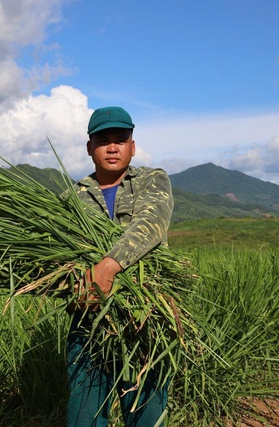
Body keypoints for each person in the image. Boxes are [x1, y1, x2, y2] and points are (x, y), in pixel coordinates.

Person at [66, 106, 174, 427]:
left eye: (120, 139)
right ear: (90, 148)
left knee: (147, 417)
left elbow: (150, 222)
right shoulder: (72, 196)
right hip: (88, 320)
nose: (112, 147)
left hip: (145, 318)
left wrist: (108, 267)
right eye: (103, 140)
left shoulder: (152, 180)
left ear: (132, 146)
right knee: (84, 418)